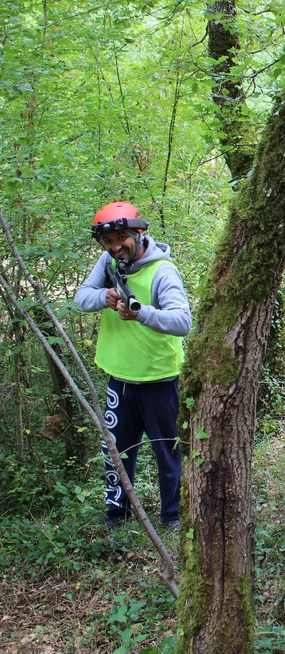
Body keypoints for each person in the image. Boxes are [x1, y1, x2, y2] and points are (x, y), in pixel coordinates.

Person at [74, 202, 191, 529]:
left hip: (160, 382)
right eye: (108, 241)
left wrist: (142, 313)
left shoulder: (162, 271)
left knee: (168, 456)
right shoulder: (108, 261)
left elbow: (183, 322)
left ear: (140, 233)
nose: (115, 247)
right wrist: (105, 297)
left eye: (122, 238)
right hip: (119, 379)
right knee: (117, 454)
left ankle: (172, 518)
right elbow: (81, 297)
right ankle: (117, 515)